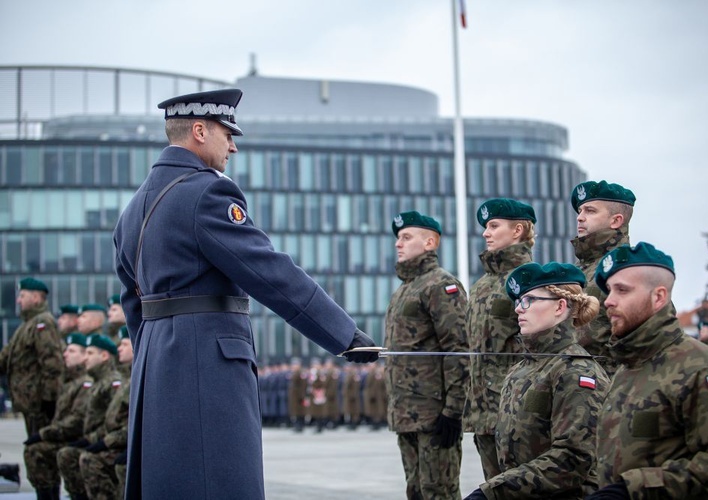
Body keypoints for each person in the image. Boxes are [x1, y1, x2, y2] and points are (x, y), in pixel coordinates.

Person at [112, 88, 377, 499]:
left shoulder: (132, 210)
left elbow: (133, 304)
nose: (233, 145)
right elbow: (269, 272)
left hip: (157, 367)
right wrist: (343, 335)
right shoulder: (207, 193)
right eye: (227, 133)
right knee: (221, 481)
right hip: (208, 365)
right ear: (199, 131)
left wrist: (155, 355)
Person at [588, 242, 708, 499]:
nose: (608, 301)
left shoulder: (701, 367)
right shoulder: (627, 369)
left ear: (658, 297)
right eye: (609, 291)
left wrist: (633, 490)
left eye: (622, 290)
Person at [464, 262, 610, 499]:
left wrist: (494, 492)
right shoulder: (520, 370)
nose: (519, 309)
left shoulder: (576, 371)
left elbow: (572, 460)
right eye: (518, 301)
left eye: (529, 300)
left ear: (560, 306)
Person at [384, 210, 469, 500]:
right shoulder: (404, 291)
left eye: (406, 237)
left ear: (430, 242)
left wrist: (453, 411)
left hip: (435, 414)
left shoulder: (440, 285)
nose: (398, 243)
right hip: (406, 412)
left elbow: (459, 348)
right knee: (416, 492)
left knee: (439, 492)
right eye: (398, 238)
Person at [463, 198, 536, 481]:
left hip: (516, 411)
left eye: (494, 225)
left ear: (518, 230)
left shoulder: (532, 280)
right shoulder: (481, 286)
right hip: (482, 413)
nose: (486, 233)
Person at [570, 180, 636, 376]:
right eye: (580, 211)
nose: (580, 218)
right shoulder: (579, 269)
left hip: (610, 389)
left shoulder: (628, 267)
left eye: (590, 211)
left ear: (615, 221)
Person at [24, 332, 91, 500]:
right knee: (35, 450)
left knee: (52, 452)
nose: (65, 354)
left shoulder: (86, 383)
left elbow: (77, 421)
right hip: (67, 436)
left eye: (72, 351)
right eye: (66, 350)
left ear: (84, 356)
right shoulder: (69, 382)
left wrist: (44, 433)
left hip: (78, 438)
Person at [57, 334, 122, 500]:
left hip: (111, 442)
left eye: (90, 353)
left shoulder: (113, 383)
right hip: (99, 439)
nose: (85, 358)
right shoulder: (97, 381)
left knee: (88, 459)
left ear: (104, 356)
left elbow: (114, 423)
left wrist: (93, 440)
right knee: (67, 454)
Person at [0, 278, 63, 439]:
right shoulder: (26, 325)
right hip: (30, 402)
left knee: (38, 451)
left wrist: (49, 399)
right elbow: (6, 358)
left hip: (39, 403)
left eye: (22, 295)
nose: (18, 300)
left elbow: (52, 363)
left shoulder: (42, 323)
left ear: (35, 297)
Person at [80, 327, 133, 500]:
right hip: (115, 441)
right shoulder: (126, 379)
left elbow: (131, 423)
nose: (119, 348)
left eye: (124, 344)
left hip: (124, 443)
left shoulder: (120, 380)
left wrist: (105, 442)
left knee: (90, 460)